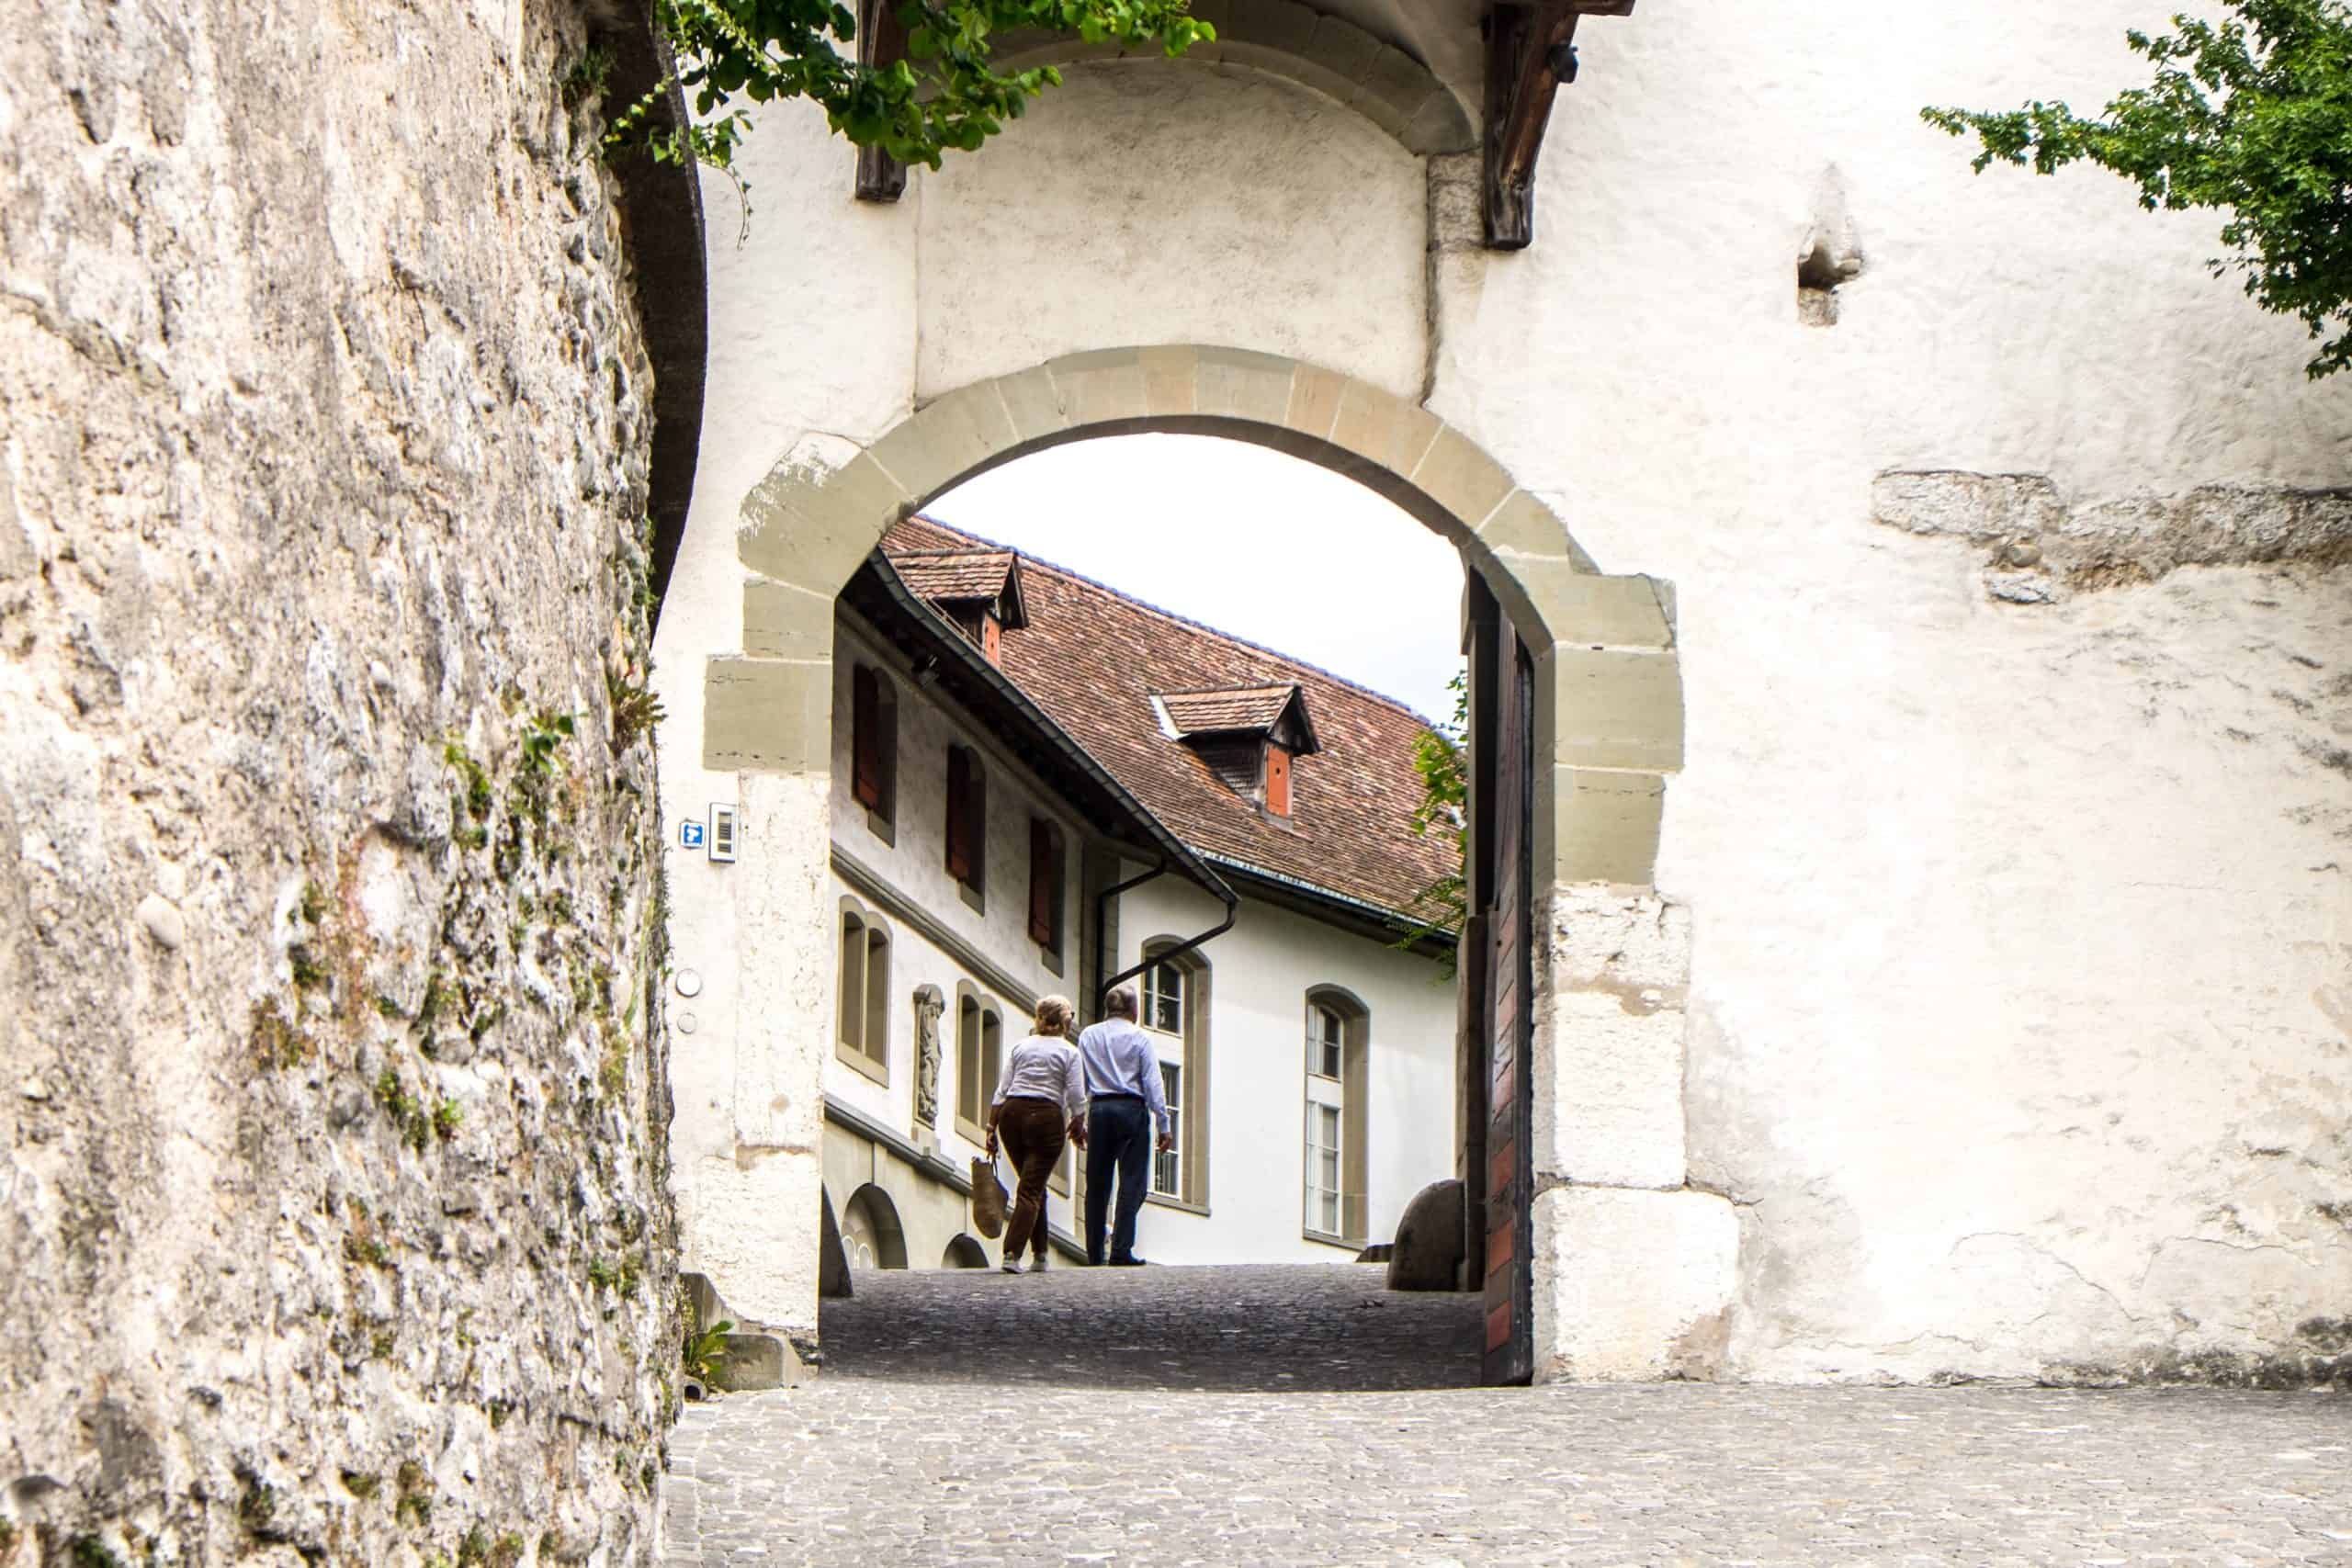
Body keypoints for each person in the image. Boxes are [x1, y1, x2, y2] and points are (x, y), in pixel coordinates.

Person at [985, 995, 1088, 1275]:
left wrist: (991, 1127)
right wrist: (1079, 1122)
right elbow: (1077, 1094)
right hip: (1046, 1118)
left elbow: (1002, 1090)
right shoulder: (1069, 1052)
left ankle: (1041, 1254)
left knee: (1033, 1183)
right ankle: (1012, 1253)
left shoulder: (1021, 1047)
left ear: (1039, 1018)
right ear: (1066, 1022)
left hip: (1012, 1114)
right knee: (1030, 1189)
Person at [1075, 985, 1174, 1267]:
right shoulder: (1140, 1038)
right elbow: (1154, 1084)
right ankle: (1120, 1248)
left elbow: (1080, 1080)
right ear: (1134, 1009)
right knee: (1133, 1182)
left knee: (1096, 1183)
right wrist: (1164, 1125)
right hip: (1131, 1109)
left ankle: (1094, 1252)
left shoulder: (1088, 1035)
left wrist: (1078, 1117)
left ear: (1108, 1008)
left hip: (1100, 1109)